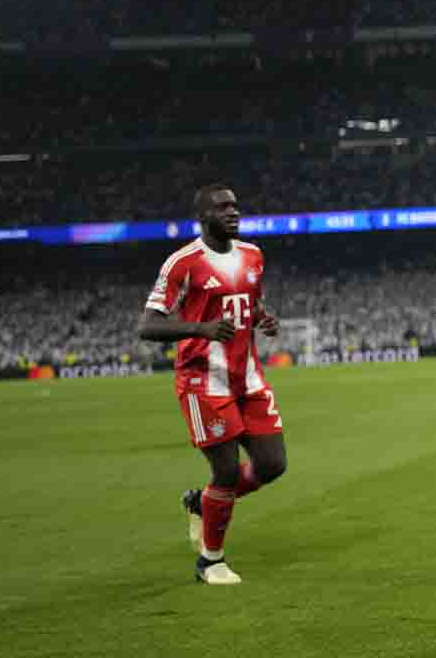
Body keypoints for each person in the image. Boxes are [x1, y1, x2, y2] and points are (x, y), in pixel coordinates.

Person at [137, 184, 287, 586]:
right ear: (203, 218)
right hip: (203, 380)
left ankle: (201, 504)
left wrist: (261, 319)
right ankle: (210, 561)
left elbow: (247, 304)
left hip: (247, 376)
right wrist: (200, 328)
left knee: (273, 465)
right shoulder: (183, 264)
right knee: (224, 472)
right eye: (223, 208)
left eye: (236, 206)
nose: (233, 213)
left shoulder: (253, 255)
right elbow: (148, 325)